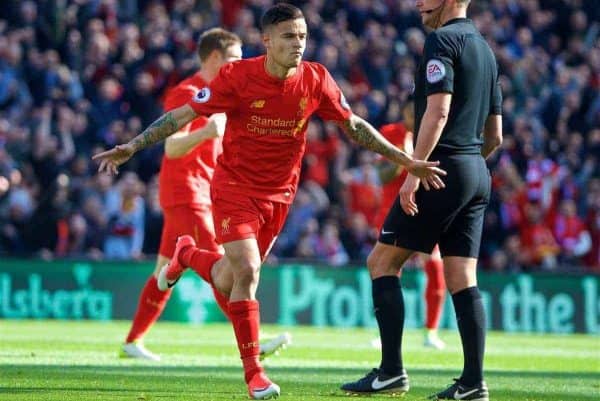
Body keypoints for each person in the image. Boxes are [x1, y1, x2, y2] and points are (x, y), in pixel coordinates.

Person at [93, 3, 446, 399]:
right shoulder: (237, 76)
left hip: (279, 196)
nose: (298, 44)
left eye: (302, 37)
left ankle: (188, 256)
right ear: (266, 41)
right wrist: (133, 146)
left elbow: (354, 127)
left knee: (228, 279)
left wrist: (407, 161)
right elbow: (180, 116)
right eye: (289, 37)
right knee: (247, 272)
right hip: (233, 188)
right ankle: (255, 375)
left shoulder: (315, 79)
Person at [341, 0, 502, 400]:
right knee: (463, 278)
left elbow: (438, 112)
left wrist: (416, 170)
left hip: (439, 169)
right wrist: (467, 171)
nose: (418, 3)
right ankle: (473, 383)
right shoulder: (485, 49)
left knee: (381, 262)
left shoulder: (442, 42)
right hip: (476, 170)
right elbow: (495, 135)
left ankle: (391, 372)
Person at [120, 28, 290, 361]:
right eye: (234, 59)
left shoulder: (224, 93)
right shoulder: (187, 91)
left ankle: (133, 340)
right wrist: (207, 132)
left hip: (203, 190)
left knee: (163, 270)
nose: (240, 65)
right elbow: (171, 147)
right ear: (214, 57)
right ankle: (252, 341)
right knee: (221, 264)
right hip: (187, 191)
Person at [373, 101, 446, 351]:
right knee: (387, 270)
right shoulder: (390, 132)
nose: (414, 117)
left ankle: (431, 331)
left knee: (434, 267)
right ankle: (386, 332)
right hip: (393, 212)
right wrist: (402, 158)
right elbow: (382, 176)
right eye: (410, 111)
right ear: (403, 110)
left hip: (424, 212)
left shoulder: (434, 132)